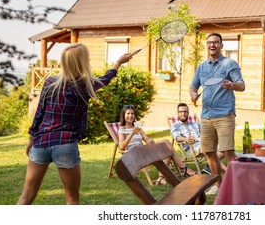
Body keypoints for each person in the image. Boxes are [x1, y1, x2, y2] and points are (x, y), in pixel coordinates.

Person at [17, 43, 135, 205]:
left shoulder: (50, 82)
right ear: (82, 62)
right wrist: (118, 63)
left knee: (26, 196)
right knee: (72, 198)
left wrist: (32, 138)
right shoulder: (84, 85)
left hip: (41, 142)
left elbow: (39, 112)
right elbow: (105, 80)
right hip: (65, 144)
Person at [189, 32, 245, 195]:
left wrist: (232, 85)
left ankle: (235, 187)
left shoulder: (229, 64)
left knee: (228, 151)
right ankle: (219, 186)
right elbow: (193, 86)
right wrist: (193, 93)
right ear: (207, 45)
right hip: (206, 116)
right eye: (209, 42)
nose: (212, 45)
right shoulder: (202, 66)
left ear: (221, 45)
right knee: (209, 152)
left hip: (224, 115)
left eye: (215, 42)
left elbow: (242, 85)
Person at [118, 104, 197, 186]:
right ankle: (183, 169)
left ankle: (161, 178)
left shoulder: (137, 127)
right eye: (128, 113)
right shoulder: (122, 129)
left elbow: (147, 141)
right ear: (123, 115)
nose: (130, 116)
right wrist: (132, 133)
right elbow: (121, 147)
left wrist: (149, 140)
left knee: (166, 146)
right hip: (134, 154)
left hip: (143, 150)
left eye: (132, 113)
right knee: (166, 146)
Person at [170, 103, 227, 173]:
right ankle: (227, 170)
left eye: (185, 111)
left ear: (188, 112)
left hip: (203, 143)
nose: (183, 114)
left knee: (223, 149)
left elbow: (206, 130)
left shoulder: (195, 123)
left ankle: (208, 167)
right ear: (177, 113)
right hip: (191, 146)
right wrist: (186, 139)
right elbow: (177, 137)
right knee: (208, 149)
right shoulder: (175, 126)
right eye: (181, 112)